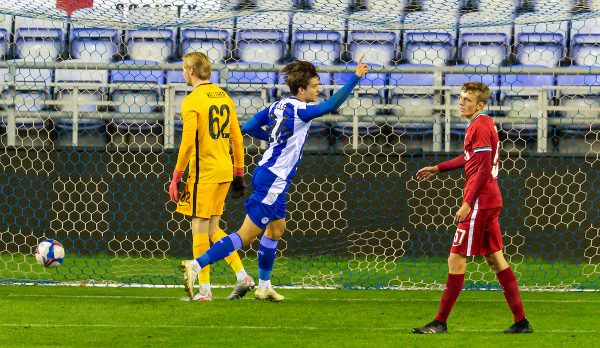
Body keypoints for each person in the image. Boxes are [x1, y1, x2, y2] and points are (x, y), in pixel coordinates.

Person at [180, 56, 369, 301]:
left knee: (276, 230)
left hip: (271, 176)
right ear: (302, 90)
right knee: (246, 236)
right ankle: (195, 265)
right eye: (315, 86)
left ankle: (264, 286)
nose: (319, 89)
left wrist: (272, 139)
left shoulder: (277, 106)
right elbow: (330, 106)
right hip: (273, 178)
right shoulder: (301, 110)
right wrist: (355, 78)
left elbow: (247, 126)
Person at [412, 82, 532, 334]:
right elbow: (470, 159)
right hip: (489, 199)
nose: (461, 102)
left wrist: (468, 204)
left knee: (455, 258)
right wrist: (439, 168)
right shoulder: (481, 124)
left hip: (480, 202)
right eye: (460, 98)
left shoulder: (478, 125)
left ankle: (440, 322)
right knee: (496, 260)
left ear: (480, 104)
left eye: (467, 99)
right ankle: (521, 322)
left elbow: (482, 168)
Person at [169, 51, 255, 301]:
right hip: (225, 170)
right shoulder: (223, 96)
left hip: (203, 172)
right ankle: (242, 276)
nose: (184, 73)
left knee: (199, 226)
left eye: (185, 69)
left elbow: (187, 142)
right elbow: (237, 137)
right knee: (214, 228)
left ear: (192, 71)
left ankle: (204, 290)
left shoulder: (192, 101)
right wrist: (239, 172)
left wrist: (177, 176)